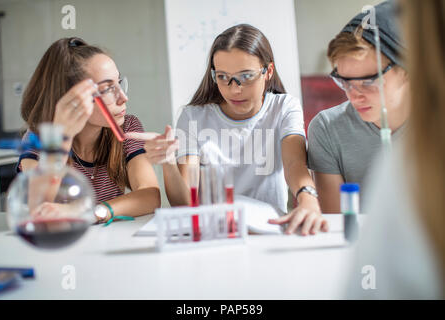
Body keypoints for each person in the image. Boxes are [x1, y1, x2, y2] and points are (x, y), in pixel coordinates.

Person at [126, 24, 328, 235]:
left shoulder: (284, 107)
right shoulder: (193, 116)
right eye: (222, 77)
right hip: (213, 233)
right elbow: (185, 201)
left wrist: (308, 198)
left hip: (265, 232)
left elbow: (294, 163)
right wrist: (168, 163)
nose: (234, 89)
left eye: (246, 76)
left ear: (268, 71)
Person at [347, 0, 444, 299]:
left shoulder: (413, 163)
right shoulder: (408, 165)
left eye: (370, 76)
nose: (355, 92)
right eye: (347, 79)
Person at [18, 37, 161, 223]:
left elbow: (150, 196)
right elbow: (38, 208)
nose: (123, 97)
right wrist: (62, 136)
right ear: (72, 97)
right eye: (108, 88)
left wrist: (92, 213)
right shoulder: (39, 138)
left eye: (119, 82)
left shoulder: (127, 127)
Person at [307, 1, 410, 212]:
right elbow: (337, 224)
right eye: (345, 82)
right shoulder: (328, 128)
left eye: (369, 82)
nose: (354, 97)